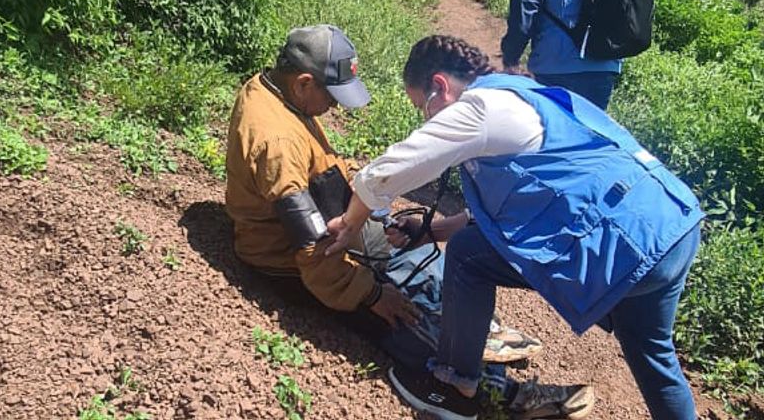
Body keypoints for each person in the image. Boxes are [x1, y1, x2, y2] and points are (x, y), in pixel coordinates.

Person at [327, 34, 704, 420]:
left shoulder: (479, 107)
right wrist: (433, 230)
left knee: (468, 257)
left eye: (421, 106)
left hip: (626, 244)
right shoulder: (521, 94)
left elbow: (390, 170)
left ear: (439, 86)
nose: (426, 118)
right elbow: (525, 202)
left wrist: (350, 221)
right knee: (653, 354)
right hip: (671, 225)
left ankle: (454, 386)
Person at [224, 25, 590, 417]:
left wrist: (368, 208)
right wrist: (372, 295)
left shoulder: (278, 93)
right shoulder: (277, 143)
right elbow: (313, 249)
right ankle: (505, 394)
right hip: (291, 259)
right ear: (304, 83)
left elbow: (321, 164)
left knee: (412, 255)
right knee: (405, 323)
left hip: (334, 222)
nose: (334, 107)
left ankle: (474, 332)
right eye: (332, 97)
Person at [500, 0, 621, 109]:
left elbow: (525, 9)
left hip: (553, 65)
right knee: (589, 126)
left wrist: (510, 57)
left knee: (551, 125)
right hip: (603, 68)